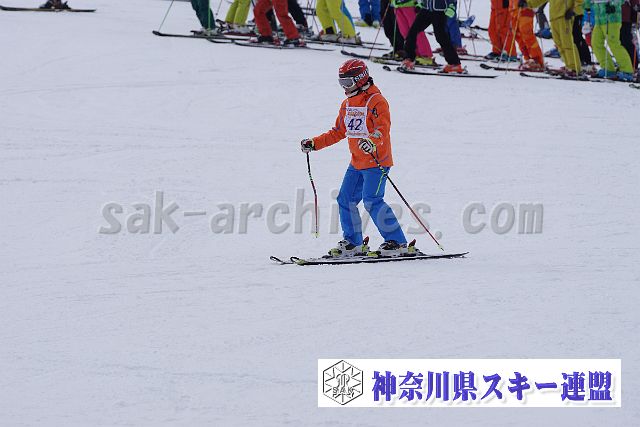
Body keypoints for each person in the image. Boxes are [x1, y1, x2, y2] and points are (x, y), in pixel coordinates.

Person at [299, 60, 409, 257]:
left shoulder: (376, 101)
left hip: (377, 161)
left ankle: (397, 242)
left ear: (360, 80)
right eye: (341, 83)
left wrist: (372, 141)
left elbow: (382, 129)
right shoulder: (347, 104)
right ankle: (353, 243)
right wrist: (314, 143)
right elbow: (338, 131)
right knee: (345, 198)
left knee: (372, 200)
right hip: (357, 162)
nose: (344, 88)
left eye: (347, 83)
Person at [402, 0, 465, 73]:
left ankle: (454, 63)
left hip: (439, 10)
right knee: (413, 31)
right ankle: (408, 58)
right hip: (426, 9)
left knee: (441, 37)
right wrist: (420, 3)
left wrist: (452, 6)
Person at [527, 0, 582, 76]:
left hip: (565, 15)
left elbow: (580, 1)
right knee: (558, 43)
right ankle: (568, 65)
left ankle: (574, 68)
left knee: (567, 42)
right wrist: (528, 3)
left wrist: (574, 10)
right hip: (554, 16)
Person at [584, 0, 634, 80]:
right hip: (599, 19)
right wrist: (587, 5)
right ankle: (608, 68)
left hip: (612, 18)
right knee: (596, 43)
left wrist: (613, 4)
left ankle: (627, 70)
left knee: (614, 44)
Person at [393, 0, 436, 65]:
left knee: (416, 31)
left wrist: (419, 4)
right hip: (397, 6)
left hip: (410, 4)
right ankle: (414, 53)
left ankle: (426, 55)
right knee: (405, 32)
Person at [511, 0, 545, 71]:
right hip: (514, 6)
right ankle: (528, 59)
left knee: (526, 33)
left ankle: (537, 60)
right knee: (517, 33)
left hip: (526, 5)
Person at [621, 0, 640, 70]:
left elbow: (635, 2)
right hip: (618, 17)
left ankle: (633, 63)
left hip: (626, 18)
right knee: (621, 42)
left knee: (626, 41)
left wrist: (636, 8)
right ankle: (627, 63)